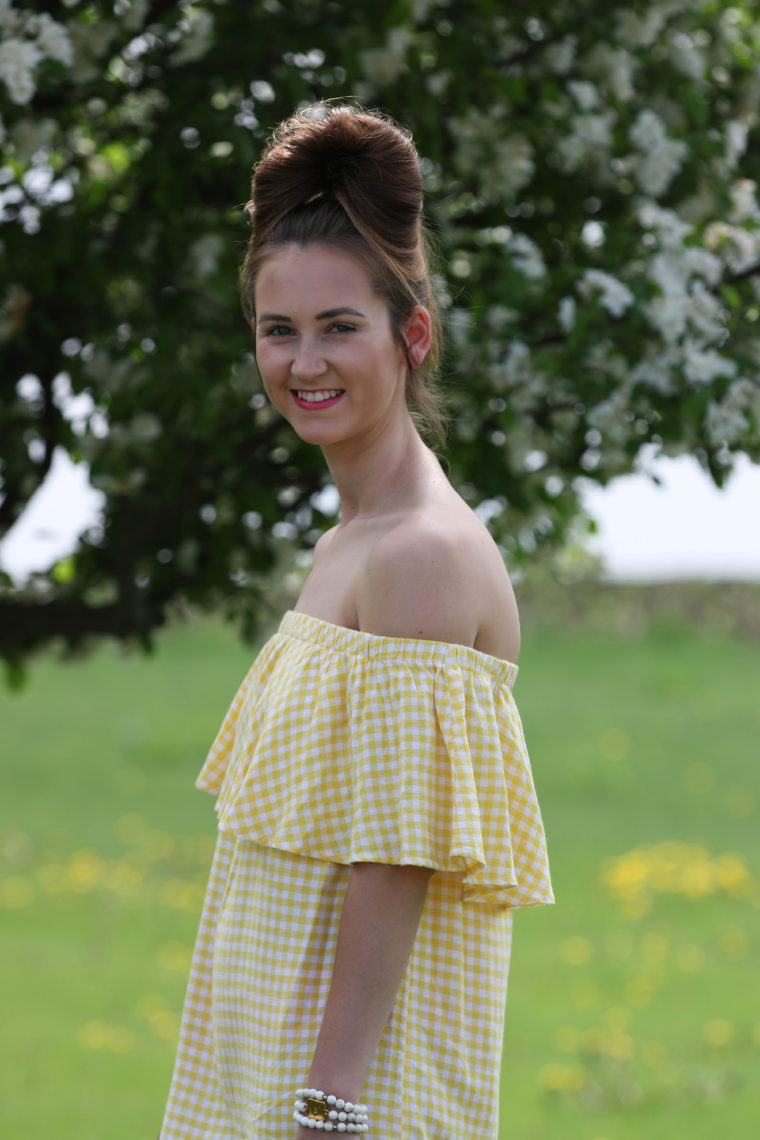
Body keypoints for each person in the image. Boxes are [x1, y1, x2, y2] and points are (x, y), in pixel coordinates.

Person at [160, 103, 553, 1140]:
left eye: (339, 327)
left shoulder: (420, 554)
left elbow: (390, 863)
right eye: (277, 331)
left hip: (344, 1091)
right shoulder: (351, 542)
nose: (305, 364)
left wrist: (327, 1112)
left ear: (410, 333)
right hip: (263, 1054)